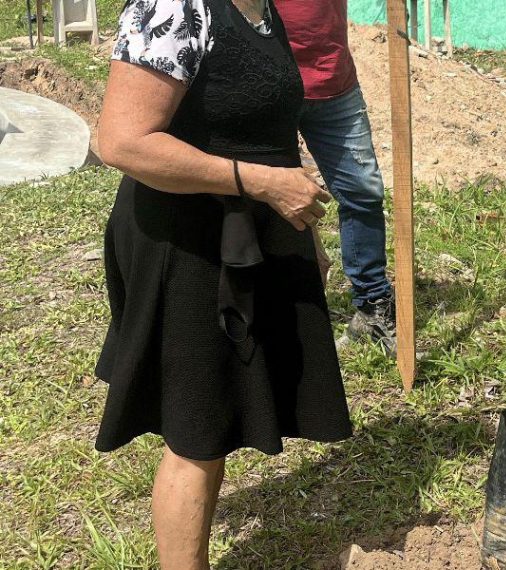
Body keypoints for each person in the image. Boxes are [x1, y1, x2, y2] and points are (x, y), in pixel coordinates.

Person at [96, 0, 353, 566]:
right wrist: (259, 182)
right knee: (196, 427)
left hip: (243, 238)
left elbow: (268, 129)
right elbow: (121, 141)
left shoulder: (261, 8)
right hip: (185, 244)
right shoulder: (174, 5)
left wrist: (305, 237)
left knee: (213, 418)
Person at [276, 0, 397, 354]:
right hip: (266, 80)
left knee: (363, 191)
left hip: (333, 81)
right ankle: (280, 311)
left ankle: (372, 307)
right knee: (265, 199)